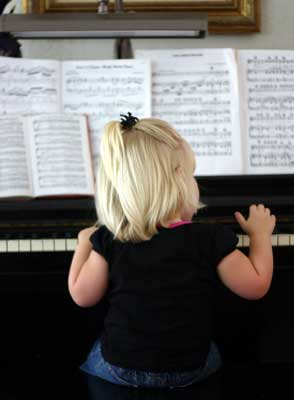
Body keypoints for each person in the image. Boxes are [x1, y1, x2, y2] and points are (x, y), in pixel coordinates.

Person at [68, 113, 276, 389]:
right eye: (191, 174)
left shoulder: (109, 240)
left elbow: (82, 296)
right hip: (189, 369)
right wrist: (260, 235)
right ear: (177, 181)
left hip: (121, 369)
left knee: (96, 353)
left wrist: (85, 242)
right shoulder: (208, 238)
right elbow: (256, 285)